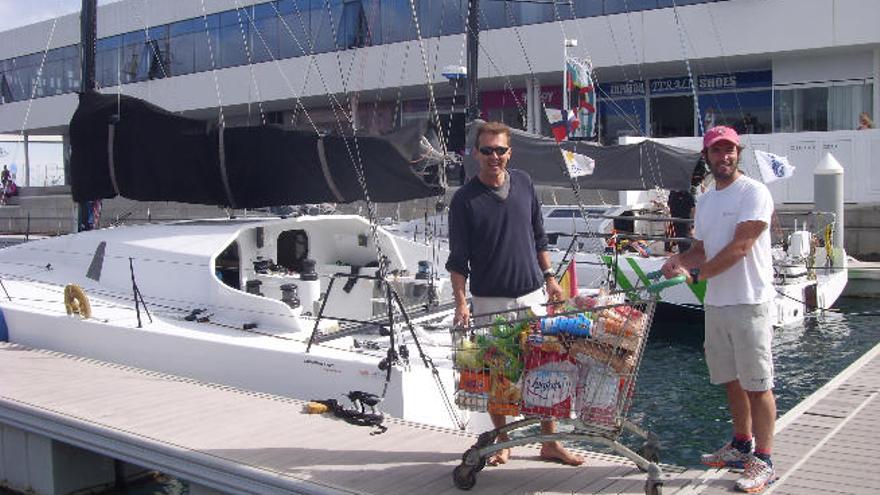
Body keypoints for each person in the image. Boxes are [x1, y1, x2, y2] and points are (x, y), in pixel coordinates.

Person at [446, 121, 584, 467]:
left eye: (501, 150)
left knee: (546, 370)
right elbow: (457, 260)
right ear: (476, 153)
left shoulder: (523, 183)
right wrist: (461, 303)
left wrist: (551, 279)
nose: (495, 156)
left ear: (510, 152)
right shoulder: (464, 200)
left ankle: (549, 443)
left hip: (533, 295)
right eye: (488, 150)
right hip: (491, 302)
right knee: (499, 378)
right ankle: (503, 442)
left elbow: (539, 235)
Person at [661, 126, 777, 493]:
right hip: (717, 303)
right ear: (706, 156)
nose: (723, 157)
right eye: (716, 151)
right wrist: (679, 260)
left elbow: (741, 247)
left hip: (749, 302)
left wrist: (698, 273)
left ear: (738, 152)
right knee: (730, 379)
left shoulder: (754, 193)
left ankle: (765, 459)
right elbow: (703, 248)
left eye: (729, 150)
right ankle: (741, 445)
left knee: (758, 384)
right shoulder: (707, 199)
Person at [665, 159, 708, 252]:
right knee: (681, 243)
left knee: (685, 244)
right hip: (677, 223)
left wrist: (693, 226)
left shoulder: (687, 191)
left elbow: (693, 209)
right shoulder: (675, 192)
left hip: (685, 224)